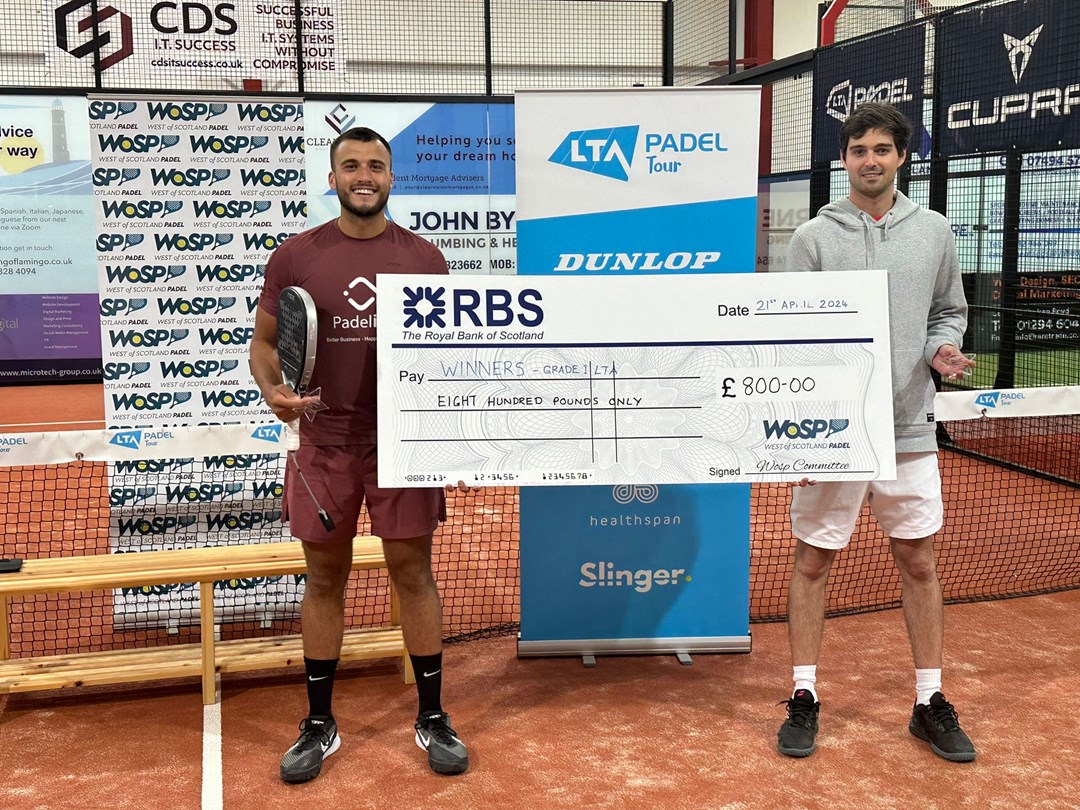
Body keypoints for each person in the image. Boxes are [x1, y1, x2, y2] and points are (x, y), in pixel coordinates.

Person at [249, 126, 469, 782]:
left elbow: (448, 353)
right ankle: (319, 723)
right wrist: (272, 390)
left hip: (402, 445)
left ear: (392, 177)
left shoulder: (427, 259)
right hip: (324, 445)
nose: (364, 175)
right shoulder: (295, 256)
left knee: (412, 571)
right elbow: (263, 344)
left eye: (375, 165)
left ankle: (431, 716)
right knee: (324, 578)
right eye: (351, 165)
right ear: (334, 175)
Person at [776, 102, 977, 763]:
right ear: (845, 158)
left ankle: (929, 702)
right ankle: (803, 695)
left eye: (882, 150)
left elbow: (949, 311)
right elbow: (791, 341)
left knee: (919, 562)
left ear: (900, 157)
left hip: (908, 430)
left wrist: (940, 350)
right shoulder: (812, 238)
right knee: (813, 563)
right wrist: (799, 439)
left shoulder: (937, 232)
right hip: (832, 432)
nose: (870, 160)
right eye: (858, 149)